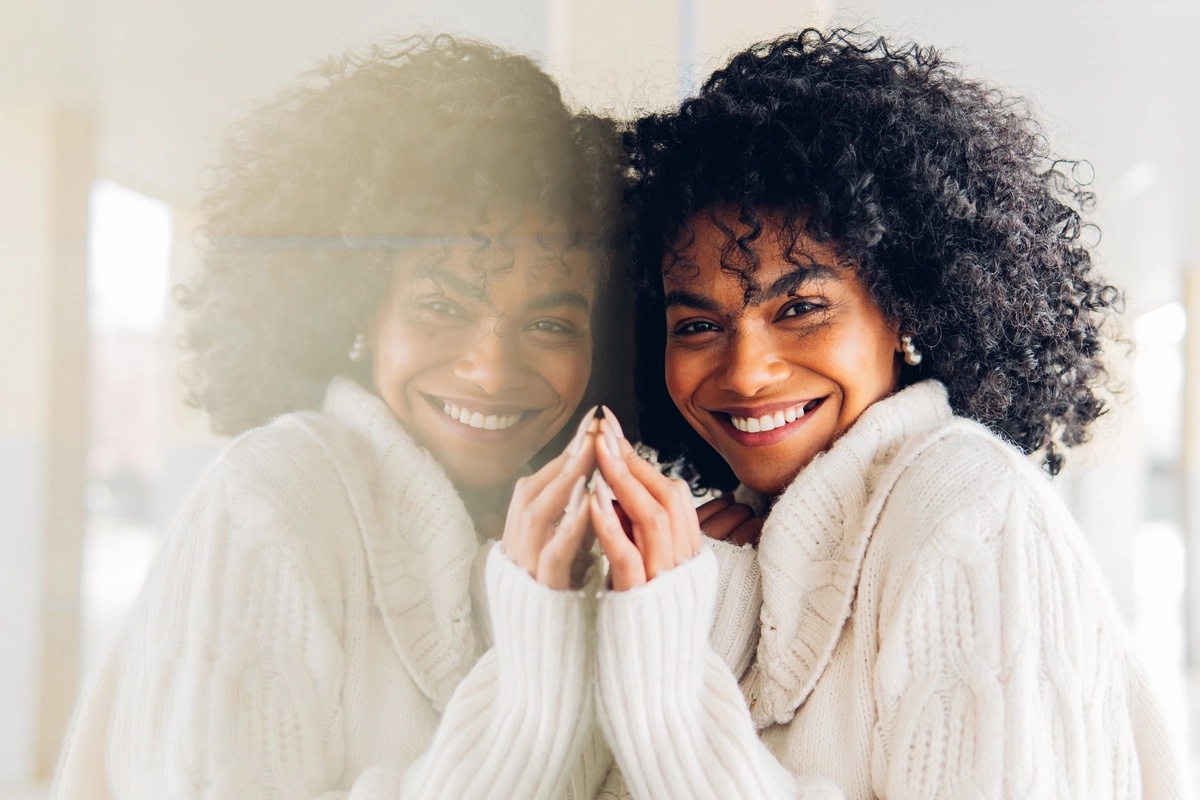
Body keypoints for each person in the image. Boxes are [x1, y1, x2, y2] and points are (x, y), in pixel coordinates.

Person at [582, 28, 1190, 799]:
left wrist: (667, 689)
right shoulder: (729, 546)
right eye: (697, 325)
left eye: (801, 307)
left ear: (905, 309)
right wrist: (700, 617)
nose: (746, 370)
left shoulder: (966, 510)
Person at [53, 35, 633, 799]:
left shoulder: (590, 538)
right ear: (359, 309)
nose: (490, 370)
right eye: (440, 307)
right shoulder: (273, 497)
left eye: (550, 324)